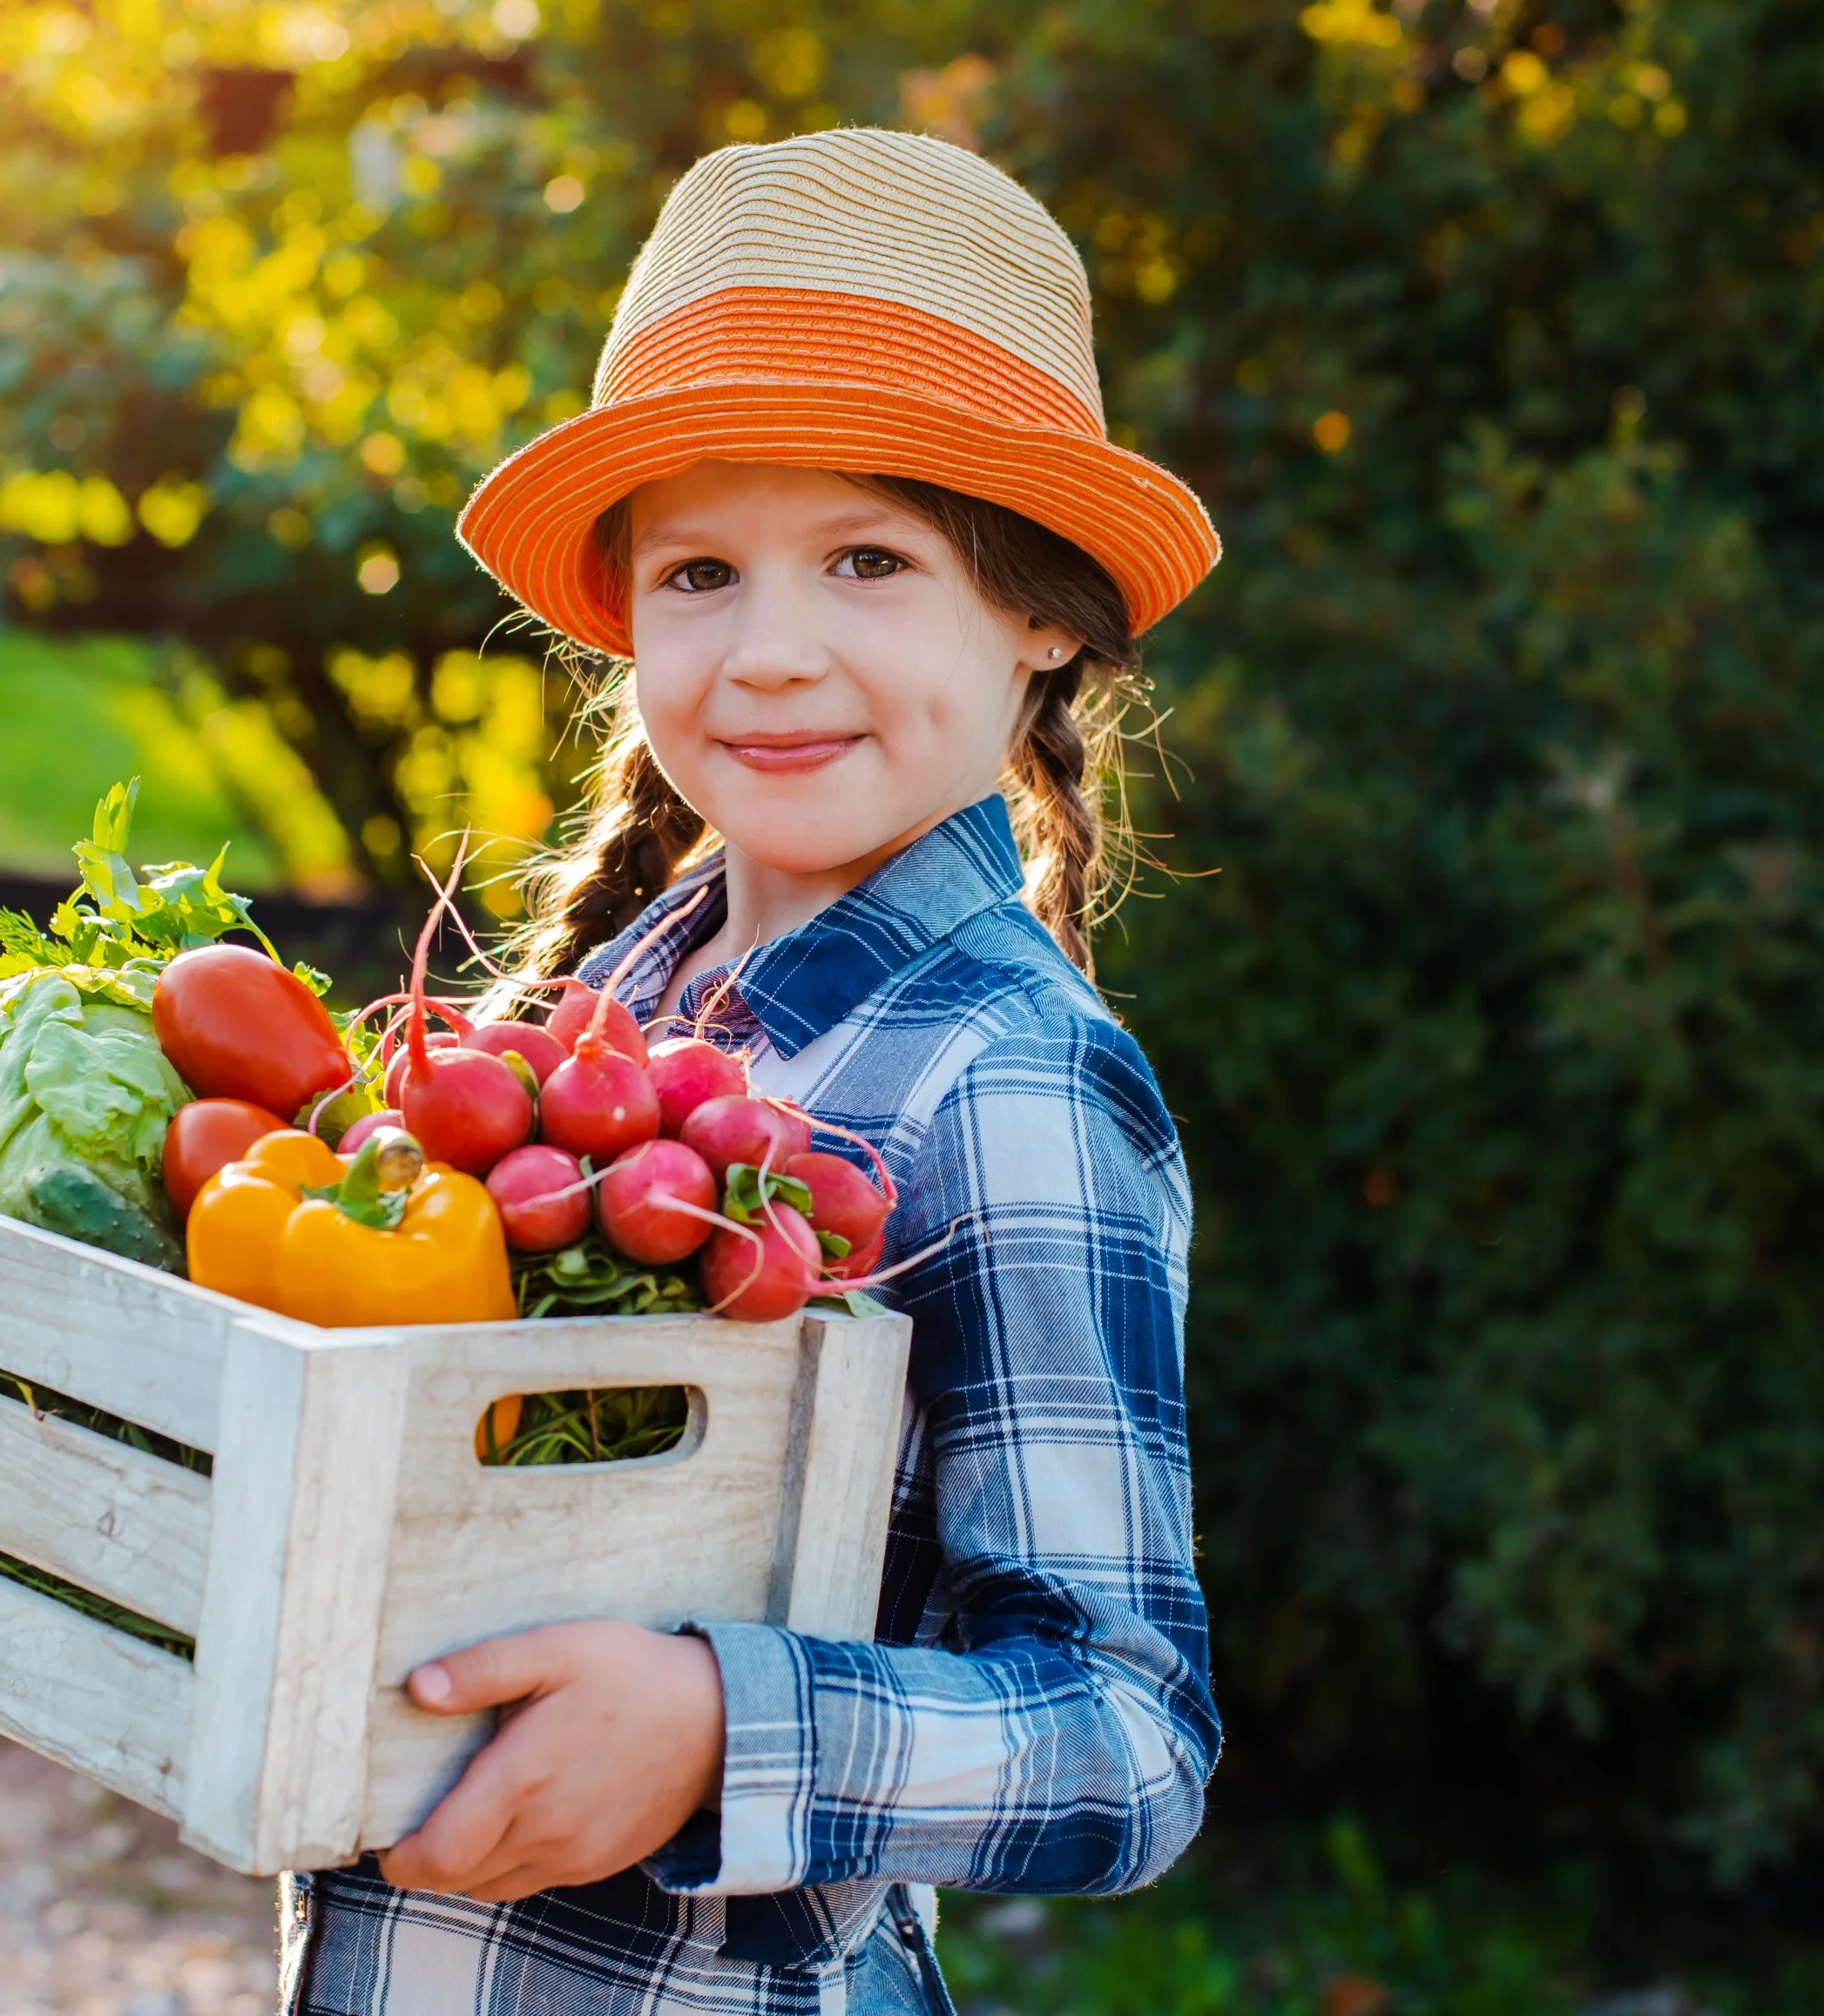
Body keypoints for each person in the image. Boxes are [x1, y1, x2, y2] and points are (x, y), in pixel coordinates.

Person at [280, 125, 1225, 2013]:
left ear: (1039, 617)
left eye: (867, 559)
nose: (769, 651)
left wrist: (716, 1721)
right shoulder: (599, 1009)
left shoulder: (1006, 1079)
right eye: (701, 571)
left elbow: (1123, 1735)